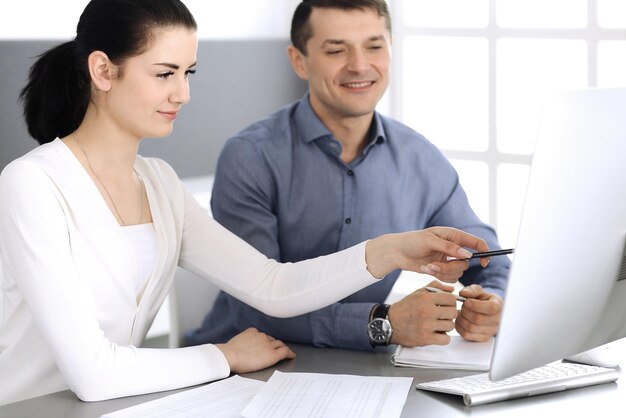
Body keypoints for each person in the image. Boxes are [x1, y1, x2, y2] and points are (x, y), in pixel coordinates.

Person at [0, 0, 491, 406]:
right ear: (103, 70)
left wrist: (389, 250)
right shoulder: (32, 183)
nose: (184, 93)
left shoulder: (160, 182)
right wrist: (225, 356)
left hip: (119, 406)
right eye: (165, 73)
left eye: (188, 72)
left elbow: (270, 283)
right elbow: (94, 373)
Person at [188, 0, 510, 351]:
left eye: (373, 46)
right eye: (337, 50)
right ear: (299, 60)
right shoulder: (251, 157)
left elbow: (488, 258)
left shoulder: (420, 158)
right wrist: (381, 321)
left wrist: (492, 302)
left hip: (366, 374)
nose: (359, 66)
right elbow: (258, 305)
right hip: (243, 370)